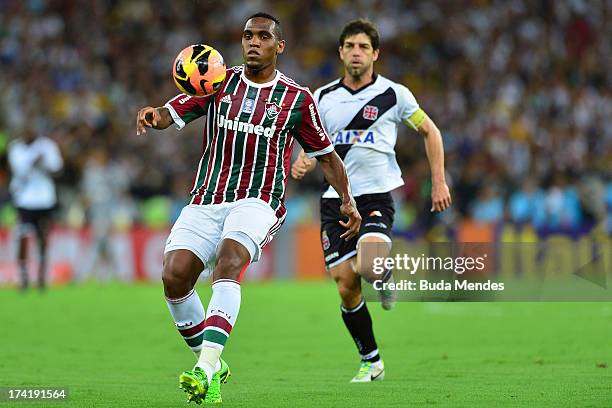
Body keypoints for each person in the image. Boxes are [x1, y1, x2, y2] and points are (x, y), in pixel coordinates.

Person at [136, 12, 361, 404]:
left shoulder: (296, 98)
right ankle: (213, 365)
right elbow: (171, 112)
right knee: (174, 277)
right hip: (207, 197)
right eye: (247, 36)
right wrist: (153, 115)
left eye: (263, 36)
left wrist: (347, 199)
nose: (253, 42)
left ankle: (204, 370)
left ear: (279, 46)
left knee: (228, 262)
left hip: (259, 200)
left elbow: (326, 155)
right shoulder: (220, 81)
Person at [291, 19, 451, 383]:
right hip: (334, 201)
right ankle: (372, 361)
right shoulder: (321, 98)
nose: (356, 53)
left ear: (375, 53)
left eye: (363, 47)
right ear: (341, 52)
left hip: (376, 196)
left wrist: (438, 181)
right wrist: (304, 157)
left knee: (368, 266)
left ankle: (384, 273)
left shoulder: (395, 95)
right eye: (350, 46)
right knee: (345, 285)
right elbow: (311, 142)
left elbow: (430, 131)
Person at [8, 124, 63, 291]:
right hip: (24, 199)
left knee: (42, 237)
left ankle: (41, 276)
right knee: (23, 236)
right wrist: (34, 159)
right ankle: (23, 275)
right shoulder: (15, 148)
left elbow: (57, 168)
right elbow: (20, 171)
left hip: (44, 199)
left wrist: (45, 161)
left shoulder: (47, 145)